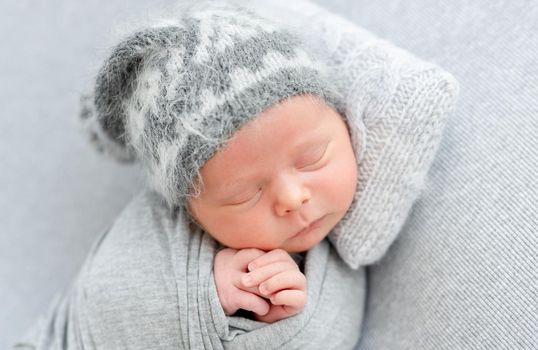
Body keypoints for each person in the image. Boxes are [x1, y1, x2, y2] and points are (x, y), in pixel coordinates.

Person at [81, 1, 358, 324]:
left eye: (313, 158)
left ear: (342, 120)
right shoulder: (162, 245)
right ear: (193, 215)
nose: (293, 199)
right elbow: (106, 302)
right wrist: (209, 295)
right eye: (243, 194)